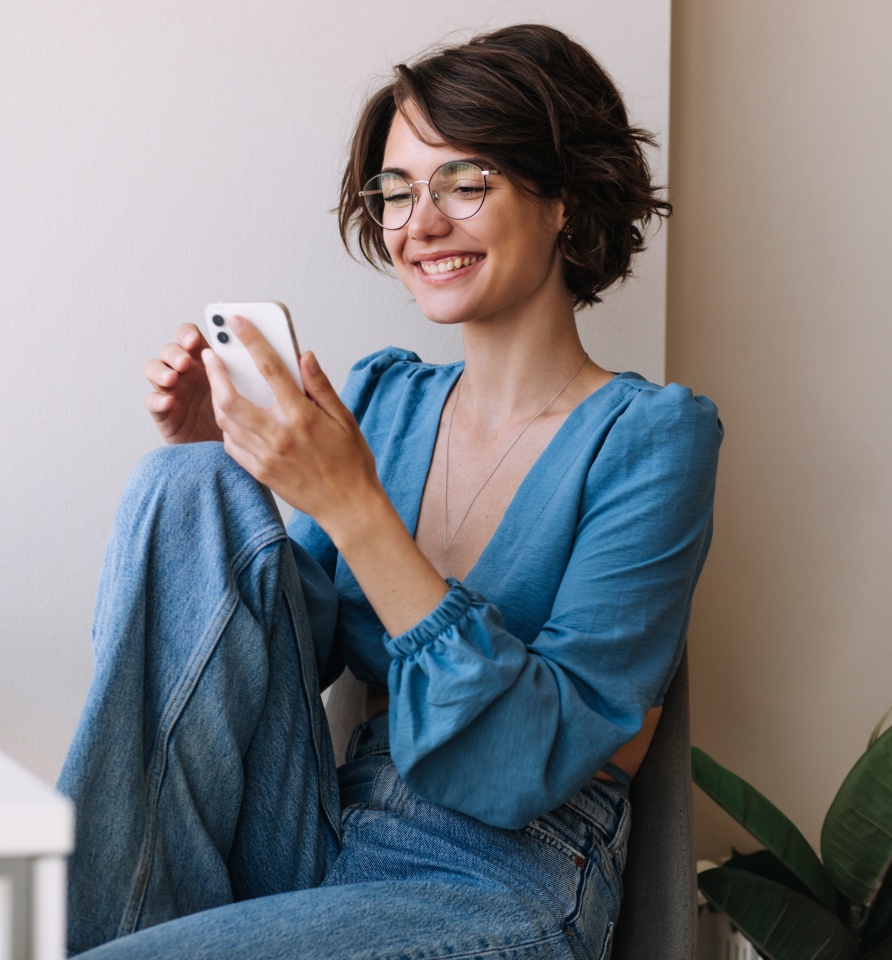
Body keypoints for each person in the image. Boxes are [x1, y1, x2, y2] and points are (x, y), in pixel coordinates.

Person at [58, 22, 722, 960]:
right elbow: (290, 651)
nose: (419, 224)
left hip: (503, 870)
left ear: (564, 199)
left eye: (464, 181)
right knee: (186, 485)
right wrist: (226, 468)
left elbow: (530, 761)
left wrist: (354, 504)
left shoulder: (652, 439)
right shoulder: (385, 398)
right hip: (327, 825)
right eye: (397, 191)